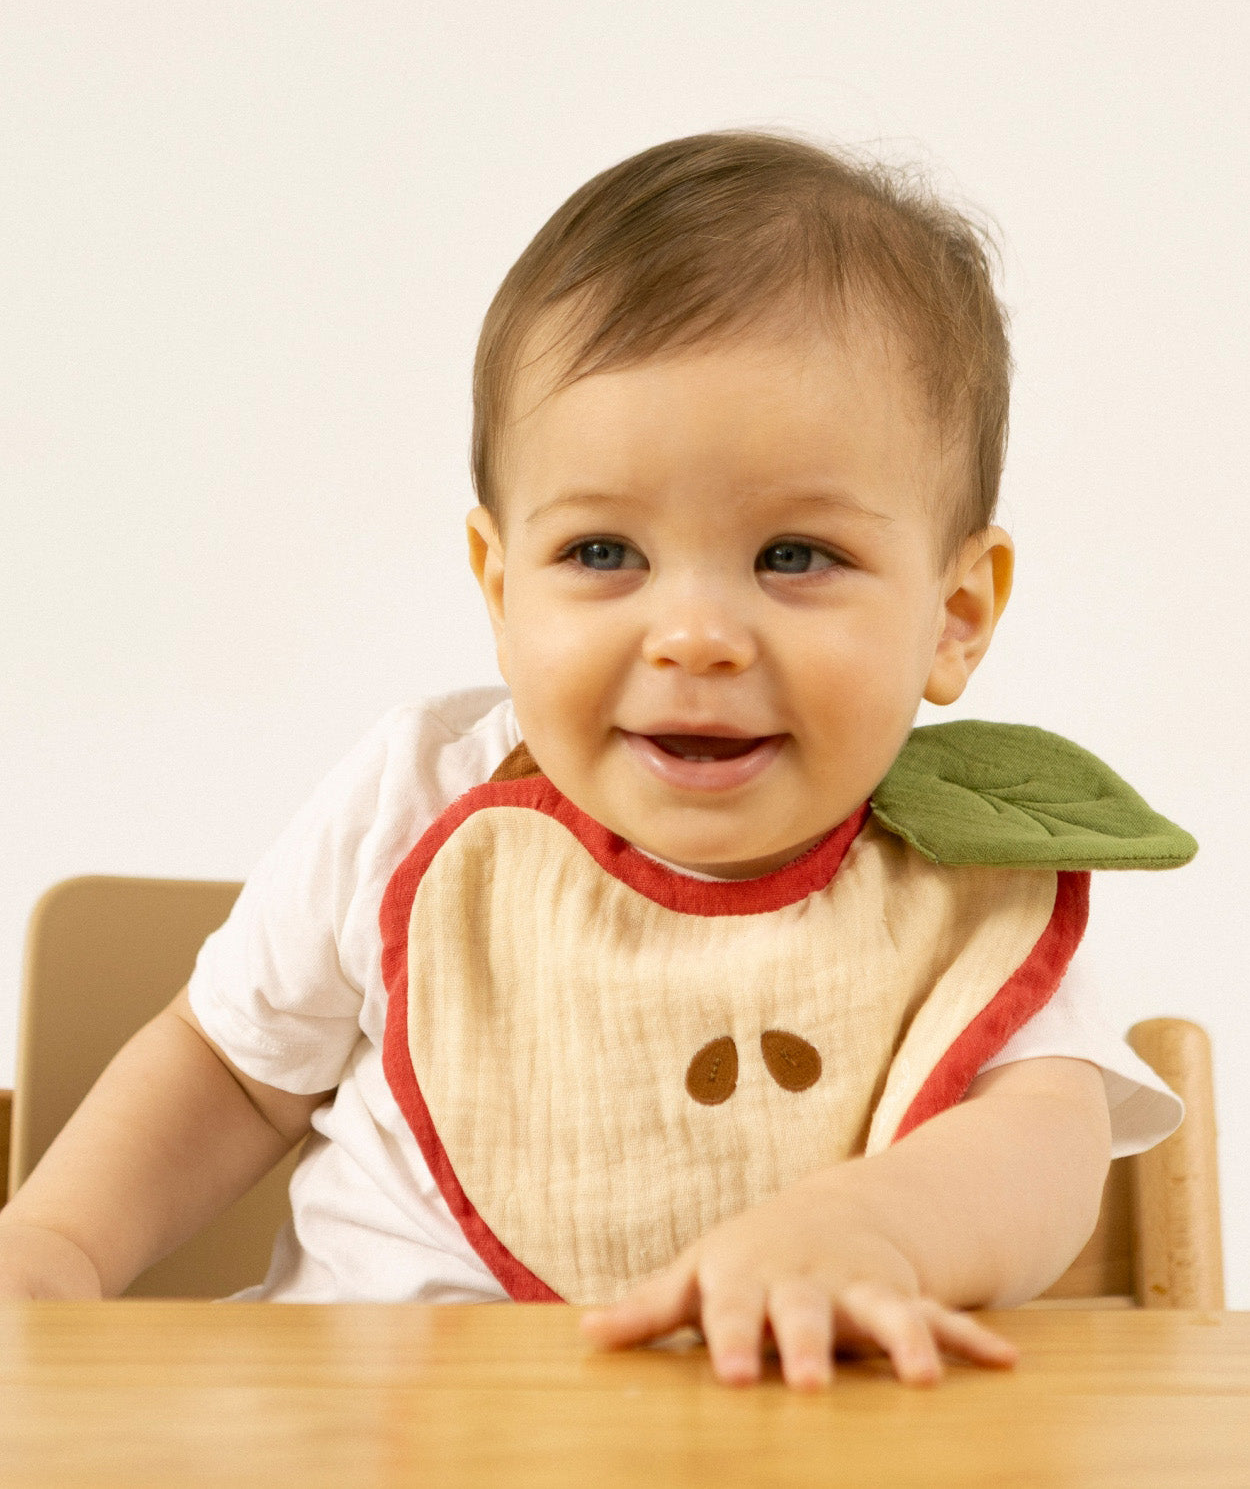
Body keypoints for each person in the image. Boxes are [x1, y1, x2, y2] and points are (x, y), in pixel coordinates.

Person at [0, 131, 1194, 1391]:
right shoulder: (415, 799)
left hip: (776, 1448)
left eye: (793, 555)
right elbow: (232, 1074)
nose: (693, 634)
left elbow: (1044, 1137)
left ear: (953, 614)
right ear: (499, 584)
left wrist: (876, 1232)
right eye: (602, 553)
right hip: (365, 1430)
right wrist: (57, 1242)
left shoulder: (959, 877)